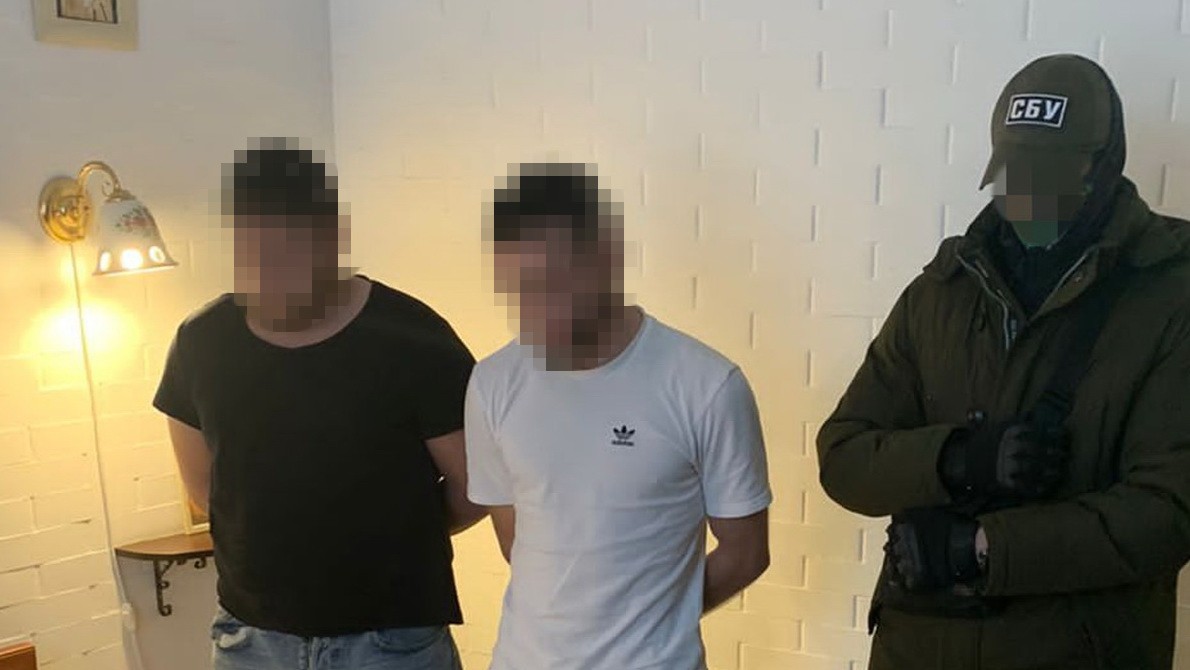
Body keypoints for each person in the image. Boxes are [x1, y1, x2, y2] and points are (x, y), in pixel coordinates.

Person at [817, 54, 1190, 669]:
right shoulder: (940, 291)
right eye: (1016, 172)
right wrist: (957, 457)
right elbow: (844, 458)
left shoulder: (1171, 293)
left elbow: (1168, 511)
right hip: (919, 648)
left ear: (1104, 165)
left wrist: (983, 547)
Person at [153, 138, 485, 670]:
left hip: (391, 643)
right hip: (252, 642)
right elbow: (207, 490)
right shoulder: (202, 341)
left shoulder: (414, 339)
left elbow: (478, 485)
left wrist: (398, 534)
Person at [464, 163, 773, 669]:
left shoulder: (708, 386)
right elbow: (518, 542)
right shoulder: (492, 382)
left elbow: (746, 553)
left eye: (552, 285)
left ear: (607, 260)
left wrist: (658, 624)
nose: (535, 310)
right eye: (521, 290)